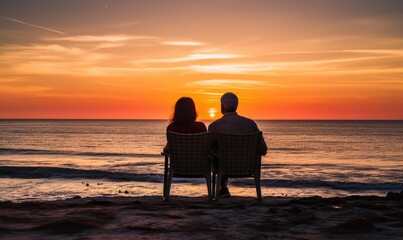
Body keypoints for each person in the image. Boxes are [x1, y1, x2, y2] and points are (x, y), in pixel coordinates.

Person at [208, 92, 268, 198]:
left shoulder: (215, 126)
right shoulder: (250, 124)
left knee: (217, 154)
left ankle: (222, 188)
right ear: (237, 106)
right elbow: (263, 149)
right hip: (248, 167)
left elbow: (208, 149)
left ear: (222, 107)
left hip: (224, 166)